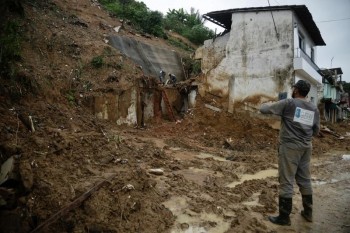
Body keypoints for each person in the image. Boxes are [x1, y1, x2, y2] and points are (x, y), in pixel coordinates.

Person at [259, 80, 320, 226]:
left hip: (290, 147)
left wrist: (263, 103)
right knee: (305, 179)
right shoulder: (314, 108)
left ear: (297, 90)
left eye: (294, 88)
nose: (293, 90)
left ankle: (284, 217)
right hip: (306, 147)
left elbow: (265, 109)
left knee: (286, 180)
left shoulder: (289, 103)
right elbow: (316, 131)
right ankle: (308, 213)